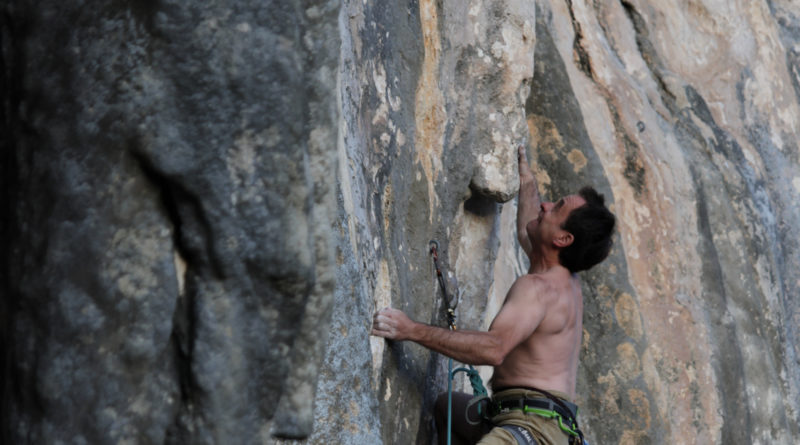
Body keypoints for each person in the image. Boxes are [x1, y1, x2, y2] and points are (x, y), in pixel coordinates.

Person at [371, 146, 616, 444]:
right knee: (447, 406)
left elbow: (493, 349)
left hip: (536, 429)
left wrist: (410, 330)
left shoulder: (539, 289)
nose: (545, 205)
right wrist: (526, 182)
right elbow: (529, 234)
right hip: (529, 418)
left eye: (556, 207)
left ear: (563, 239)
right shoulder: (564, 278)